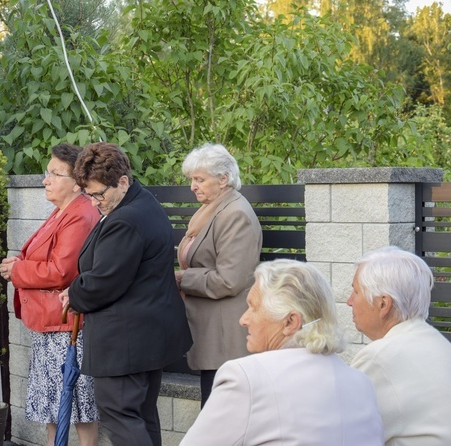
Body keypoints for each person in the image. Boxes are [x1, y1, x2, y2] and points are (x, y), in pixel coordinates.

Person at [59, 142, 193, 446]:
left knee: (120, 415)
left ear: (122, 181)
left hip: (125, 342)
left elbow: (104, 282)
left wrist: (74, 293)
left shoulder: (126, 219)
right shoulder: (142, 203)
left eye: (98, 194)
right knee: (141, 416)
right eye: (88, 194)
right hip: (143, 337)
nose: (94, 203)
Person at [181, 259, 384, 446]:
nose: (243, 319)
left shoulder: (246, 378)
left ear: (290, 322)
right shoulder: (361, 382)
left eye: (253, 307)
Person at [0, 144, 100, 446]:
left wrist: (17, 271)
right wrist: (21, 263)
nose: (46, 180)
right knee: (55, 410)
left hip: (68, 328)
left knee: (79, 409)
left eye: (55, 174)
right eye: (47, 173)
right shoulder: (62, 211)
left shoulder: (80, 215)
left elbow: (61, 272)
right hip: (52, 325)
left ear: (77, 182)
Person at [174, 142, 262, 406]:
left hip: (226, 339)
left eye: (200, 179)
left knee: (220, 413)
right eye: (192, 179)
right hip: (212, 331)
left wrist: (180, 278)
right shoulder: (213, 208)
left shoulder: (235, 214)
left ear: (223, 179)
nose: (193, 186)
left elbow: (230, 280)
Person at [348, 246, 451, 445]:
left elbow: (342, 432)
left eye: (356, 291)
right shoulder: (436, 342)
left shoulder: (378, 358)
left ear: (383, 304)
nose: (349, 301)